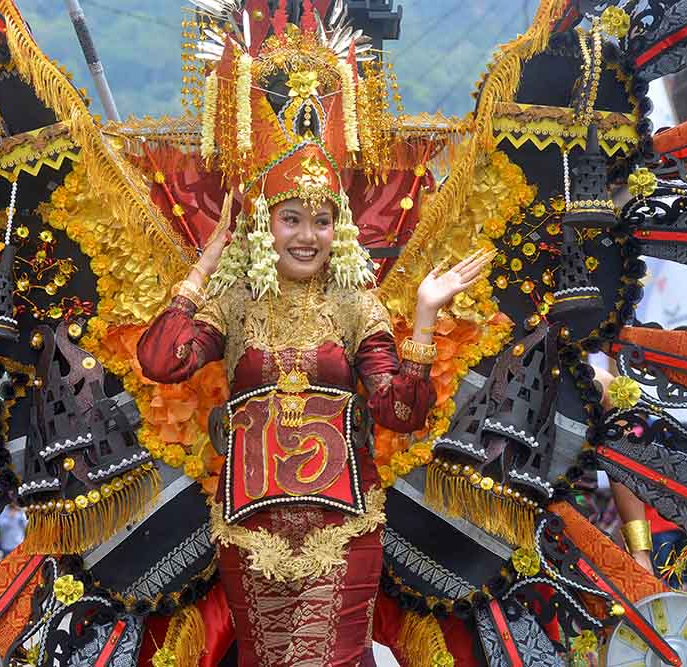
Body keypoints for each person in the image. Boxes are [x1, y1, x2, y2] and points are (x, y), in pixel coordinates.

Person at [137, 145, 493, 666]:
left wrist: (423, 316)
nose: (307, 237)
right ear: (265, 225)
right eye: (291, 220)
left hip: (343, 528)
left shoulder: (355, 302)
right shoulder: (235, 301)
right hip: (251, 530)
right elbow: (163, 360)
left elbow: (400, 412)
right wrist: (207, 264)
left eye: (321, 222)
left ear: (339, 230)